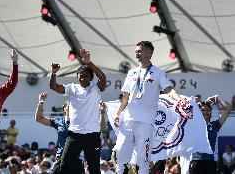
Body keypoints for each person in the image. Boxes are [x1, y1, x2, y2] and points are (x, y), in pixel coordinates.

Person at [113, 41, 187, 174]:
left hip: (146, 123)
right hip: (128, 121)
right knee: (120, 157)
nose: (136, 54)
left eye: (139, 51)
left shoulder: (158, 73)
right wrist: (118, 113)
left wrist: (180, 99)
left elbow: (169, 90)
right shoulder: (131, 72)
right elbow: (125, 96)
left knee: (143, 161)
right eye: (136, 51)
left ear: (148, 52)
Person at [49, 48, 106, 174]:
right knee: (63, 166)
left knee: (94, 169)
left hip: (92, 135)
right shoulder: (71, 88)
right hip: (74, 134)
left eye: (86, 76)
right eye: (80, 75)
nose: (83, 78)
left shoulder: (95, 89)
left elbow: (102, 78)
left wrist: (89, 62)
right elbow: (53, 87)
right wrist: (53, 73)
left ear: (91, 78)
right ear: (77, 76)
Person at [189, 95, 231, 174]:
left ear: (210, 112)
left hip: (211, 162)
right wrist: (193, 100)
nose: (205, 112)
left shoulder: (215, 125)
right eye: (203, 110)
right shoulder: (193, 124)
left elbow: (227, 109)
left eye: (207, 110)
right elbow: (186, 108)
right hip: (196, 161)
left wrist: (217, 98)